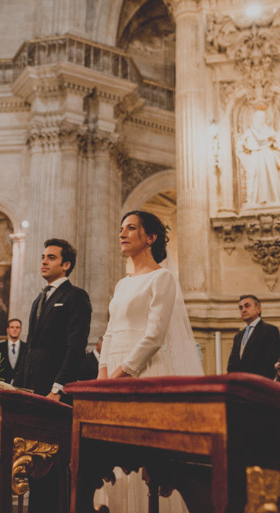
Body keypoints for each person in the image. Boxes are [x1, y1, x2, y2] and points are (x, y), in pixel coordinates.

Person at [96, 210, 203, 513]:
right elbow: (110, 331)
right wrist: (102, 378)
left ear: (151, 238)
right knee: (116, 464)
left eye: (131, 228)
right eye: (121, 228)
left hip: (144, 373)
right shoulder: (121, 284)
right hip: (113, 376)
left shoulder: (162, 278)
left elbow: (154, 336)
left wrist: (120, 375)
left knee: (146, 463)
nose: (122, 233)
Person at [15, 238, 92, 400]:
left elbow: (76, 347)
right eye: (42, 257)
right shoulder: (39, 298)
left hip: (53, 388)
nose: (44, 262)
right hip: (30, 386)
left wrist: (58, 388)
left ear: (66, 265)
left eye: (51, 258)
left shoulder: (75, 296)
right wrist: (17, 386)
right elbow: (30, 346)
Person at [226, 295, 280, 379]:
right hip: (239, 386)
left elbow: (270, 363)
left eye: (247, 306)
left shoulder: (270, 331)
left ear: (258, 309)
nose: (243, 310)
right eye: (241, 308)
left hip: (259, 385)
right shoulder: (238, 336)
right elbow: (232, 365)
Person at [0, 318, 26, 384]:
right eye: (12, 327)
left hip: (22, 386)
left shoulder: (27, 348)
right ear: (8, 330)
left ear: (21, 330)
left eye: (17, 327)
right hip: (2, 385)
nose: (15, 329)